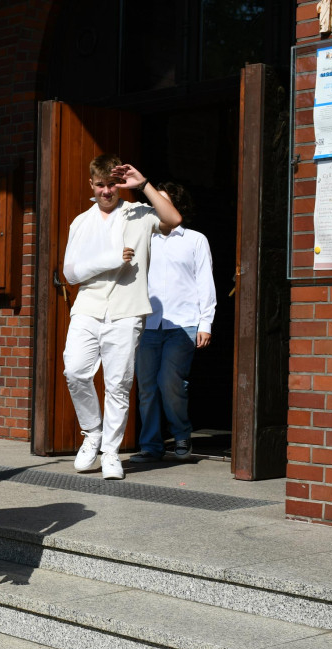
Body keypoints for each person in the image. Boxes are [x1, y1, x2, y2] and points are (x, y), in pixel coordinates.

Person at [62, 154, 181, 480]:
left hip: (127, 310)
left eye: (112, 185)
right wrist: (109, 260)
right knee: (74, 370)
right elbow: (70, 273)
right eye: (100, 185)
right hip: (88, 307)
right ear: (91, 184)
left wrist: (143, 185)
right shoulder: (81, 222)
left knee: (118, 383)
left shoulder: (139, 213)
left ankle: (111, 452)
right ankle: (92, 433)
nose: (106, 191)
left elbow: (173, 219)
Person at [131, 182, 215, 463]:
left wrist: (206, 322)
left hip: (183, 324)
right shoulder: (144, 239)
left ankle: (181, 434)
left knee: (170, 382)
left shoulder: (195, 240)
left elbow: (205, 283)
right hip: (148, 325)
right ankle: (151, 446)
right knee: (146, 388)